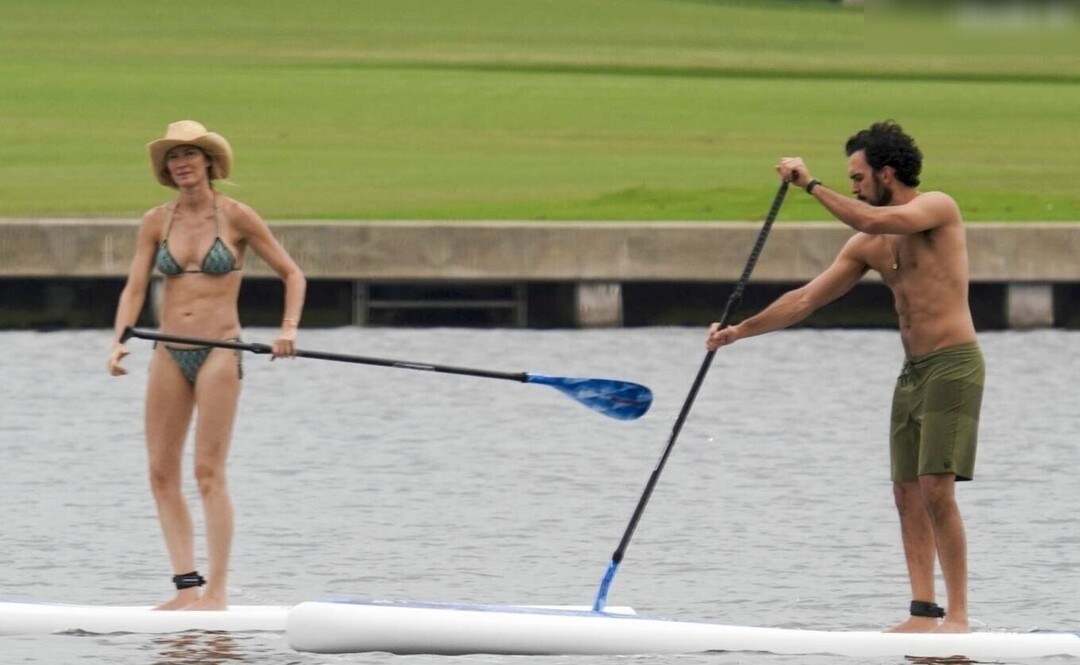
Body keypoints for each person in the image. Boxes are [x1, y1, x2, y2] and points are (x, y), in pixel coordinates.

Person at [706, 121, 983, 633]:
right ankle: (923, 614)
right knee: (906, 492)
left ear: (886, 173)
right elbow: (804, 300)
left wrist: (811, 185)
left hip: (954, 365)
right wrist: (738, 332)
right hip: (913, 372)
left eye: (857, 177)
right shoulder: (868, 246)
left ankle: (960, 617)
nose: (853, 186)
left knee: (936, 488)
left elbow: (875, 218)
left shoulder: (937, 209)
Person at [108, 120, 306, 611]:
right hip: (167, 350)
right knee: (160, 473)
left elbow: (292, 274)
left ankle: (216, 593)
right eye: (173, 157)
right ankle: (186, 590)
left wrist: (287, 330)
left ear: (208, 162)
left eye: (189, 155)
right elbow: (135, 287)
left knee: (207, 472)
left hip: (220, 348)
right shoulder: (156, 221)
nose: (181, 164)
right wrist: (119, 340)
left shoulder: (237, 217)